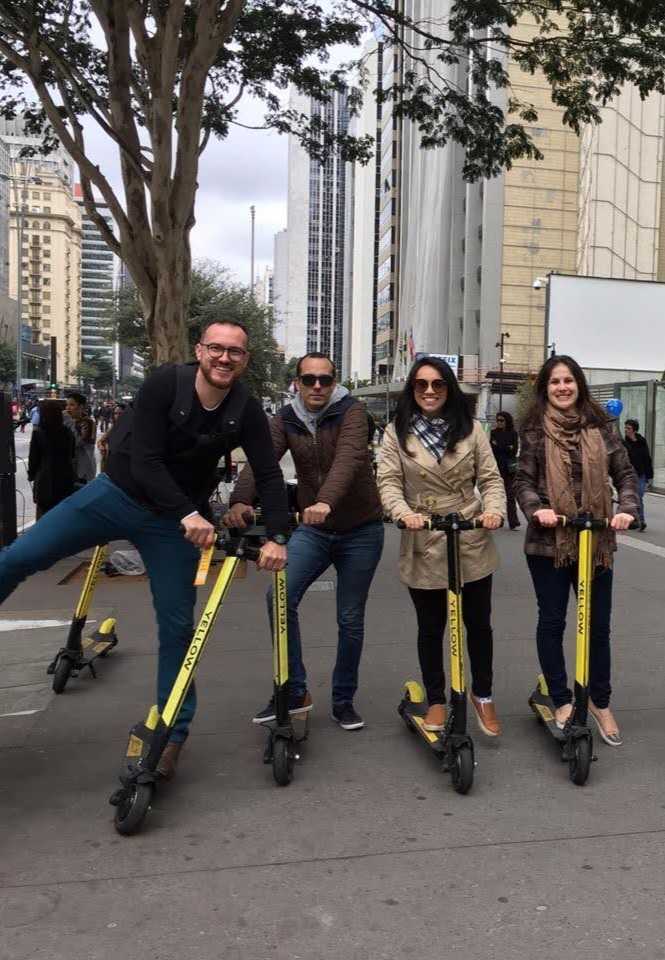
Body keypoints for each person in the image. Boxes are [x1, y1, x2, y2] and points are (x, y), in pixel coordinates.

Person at [0, 319, 289, 779]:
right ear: (200, 350)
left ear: (245, 360)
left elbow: (269, 475)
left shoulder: (245, 409)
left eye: (235, 352)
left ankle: (172, 733)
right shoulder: (165, 385)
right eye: (216, 348)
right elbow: (146, 459)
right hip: (116, 497)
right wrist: (189, 514)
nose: (224, 358)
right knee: (18, 558)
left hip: (170, 526)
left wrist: (277, 536)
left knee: (177, 628)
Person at [226, 352, 384, 731]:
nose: (316, 386)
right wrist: (240, 500)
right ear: (296, 381)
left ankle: (343, 700)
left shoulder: (352, 412)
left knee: (349, 619)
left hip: (361, 528)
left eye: (324, 380)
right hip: (314, 530)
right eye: (308, 379)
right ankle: (294, 691)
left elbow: (348, 460)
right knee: (279, 598)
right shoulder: (286, 417)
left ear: (335, 382)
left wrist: (325, 501)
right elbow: (263, 461)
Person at [377, 357, 506, 736]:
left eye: (438, 384)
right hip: (423, 535)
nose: (430, 391)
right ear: (412, 389)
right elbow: (387, 482)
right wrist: (403, 513)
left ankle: (482, 694)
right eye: (421, 385)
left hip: (470, 532)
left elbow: (492, 479)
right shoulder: (395, 433)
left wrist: (494, 511)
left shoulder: (472, 430)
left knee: (478, 625)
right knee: (431, 627)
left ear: (449, 388)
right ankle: (436, 698)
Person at [515, 355, 639, 746]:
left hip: (597, 539)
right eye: (555, 382)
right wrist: (538, 509)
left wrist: (627, 509)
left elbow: (625, 473)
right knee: (553, 621)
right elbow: (522, 479)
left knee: (598, 626)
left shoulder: (601, 427)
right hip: (548, 542)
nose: (563, 387)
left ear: (579, 384)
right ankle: (563, 699)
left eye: (569, 380)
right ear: (545, 389)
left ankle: (600, 702)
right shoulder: (533, 429)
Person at [27, 400, 76, 520]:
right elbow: (72, 454)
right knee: (62, 516)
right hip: (66, 478)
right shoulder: (67, 432)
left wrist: (31, 475)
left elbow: (34, 459)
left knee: (44, 517)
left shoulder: (38, 433)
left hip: (46, 480)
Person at [490, 410, 520, 529]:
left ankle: (513, 522)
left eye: (501, 420)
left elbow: (513, 450)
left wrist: (500, 446)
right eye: (497, 420)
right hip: (496, 467)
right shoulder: (493, 433)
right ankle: (497, 520)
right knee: (496, 495)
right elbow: (491, 449)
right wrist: (505, 447)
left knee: (510, 495)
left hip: (509, 469)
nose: (499, 423)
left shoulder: (513, 433)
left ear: (507, 421)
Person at [623, 418, 653, 531]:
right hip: (629, 475)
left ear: (634, 430)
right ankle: (639, 521)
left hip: (641, 474)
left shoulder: (642, 441)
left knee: (638, 497)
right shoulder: (624, 443)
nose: (626, 430)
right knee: (632, 497)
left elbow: (647, 459)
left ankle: (639, 520)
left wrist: (650, 476)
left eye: (628, 428)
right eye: (625, 428)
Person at [64, 392, 97, 484]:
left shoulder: (88, 422)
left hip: (83, 470)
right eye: (67, 405)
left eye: (72, 405)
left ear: (81, 406)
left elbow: (77, 442)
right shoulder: (71, 421)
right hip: (72, 468)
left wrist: (68, 421)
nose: (68, 408)